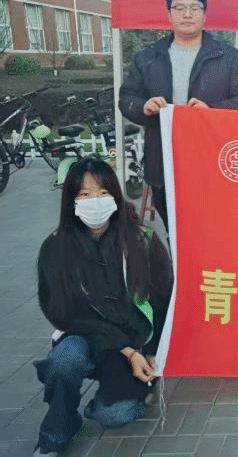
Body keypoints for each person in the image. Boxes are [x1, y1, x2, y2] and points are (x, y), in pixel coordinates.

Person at [33, 156, 173, 455]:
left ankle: (123, 394)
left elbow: (164, 298)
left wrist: (153, 353)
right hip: (86, 337)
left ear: (115, 195)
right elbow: (59, 311)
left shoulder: (142, 240)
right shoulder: (55, 247)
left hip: (135, 342)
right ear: (71, 200)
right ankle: (58, 428)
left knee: (114, 415)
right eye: (84, 194)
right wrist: (125, 349)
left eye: (103, 192)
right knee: (64, 361)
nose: (94, 201)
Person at [119, 0, 238, 230]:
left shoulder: (229, 59)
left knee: (214, 230)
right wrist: (144, 106)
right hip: (163, 160)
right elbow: (127, 98)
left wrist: (212, 111)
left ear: (204, 16)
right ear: (169, 14)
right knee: (175, 231)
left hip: (213, 162)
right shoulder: (149, 58)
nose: (187, 14)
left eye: (195, 8)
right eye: (179, 8)